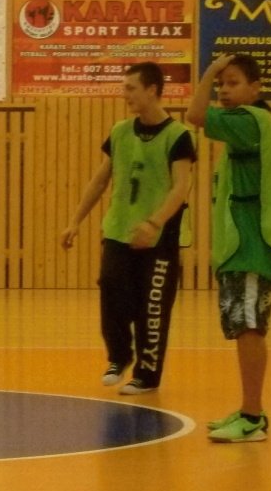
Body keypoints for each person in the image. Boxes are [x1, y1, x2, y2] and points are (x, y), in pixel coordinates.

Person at [61, 62, 195, 395]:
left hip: (159, 238)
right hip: (119, 231)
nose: (125, 94)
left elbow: (181, 187)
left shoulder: (178, 136)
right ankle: (119, 356)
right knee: (111, 288)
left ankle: (147, 375)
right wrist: (75, 221)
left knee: (152, 306)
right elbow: (100, 180)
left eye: (131, 88)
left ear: (152, 90)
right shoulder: (121, 131)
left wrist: (154, 222)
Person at [185, 53, 271, 443]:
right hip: (240, 246)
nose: (223, 90)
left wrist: (207, 72)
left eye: (232, 83)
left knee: (250, 327)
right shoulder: (244, 126)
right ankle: (250, 409)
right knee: (242, 326)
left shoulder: (251, 121)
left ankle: (253, 417)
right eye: (221, 84)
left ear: (256, 87)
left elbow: (195, 115)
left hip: (252, 244)